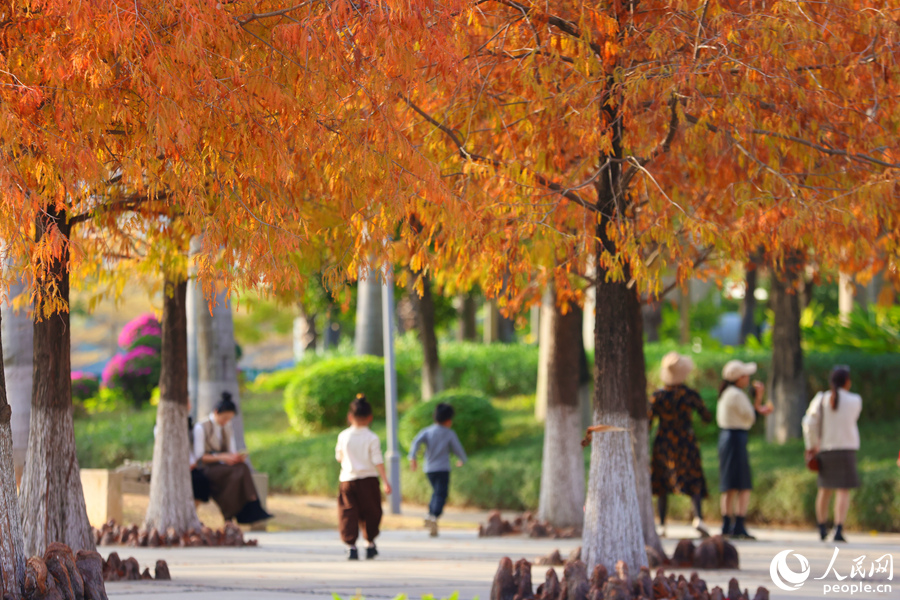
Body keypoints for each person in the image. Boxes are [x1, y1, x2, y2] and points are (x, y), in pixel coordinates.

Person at [649, 352, 713, 538]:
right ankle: (698, 518)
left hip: (664, 442)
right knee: (694, 479)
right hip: (686, 441)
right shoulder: (690, 395)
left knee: (662, 483)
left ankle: (661, 524)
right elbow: (706, 417)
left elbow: (647, 420)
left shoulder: (657, 396)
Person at [193, 392, 272, 524]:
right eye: (224, 418)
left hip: (223, 466)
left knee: (242, 467)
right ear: (216, 412)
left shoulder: (227, 427)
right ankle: (250, 505)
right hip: (206, 467)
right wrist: (222, 457)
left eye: (229, 419)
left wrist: (235, 457)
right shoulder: (201, 427)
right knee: (237, 474)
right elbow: (199, 456)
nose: (226, 421)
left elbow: (231, 450)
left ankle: (247, 507)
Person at [802, 366, 861, 542]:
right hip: (847, 448)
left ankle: (821, 527)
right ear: (847, 381)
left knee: (824, 490)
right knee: (843, 491)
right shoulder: (855, 400)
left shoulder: (821, 399)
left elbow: (808, 423)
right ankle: (838, 528)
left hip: (825, 449)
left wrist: (812, 445)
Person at [716, 359, 772, 540]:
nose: (748, 378)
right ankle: (739, 524)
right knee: (742, 484)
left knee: (728, 484)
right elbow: (750, 417)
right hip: (736, 438)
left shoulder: (727, 393)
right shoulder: (736, 395)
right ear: (739, 378)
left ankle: (727, 524)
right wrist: (758, 398)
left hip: (727, 438)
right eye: (745, 375)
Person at [335, 393, 392, 560]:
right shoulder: (372, 437)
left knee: (348, 513)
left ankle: (351, 546)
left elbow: (339, 458)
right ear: (370, 417)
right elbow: (377, 460)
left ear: (350, 416)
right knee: (371, 512)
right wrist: (385, 481)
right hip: (368, 480)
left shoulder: (343, 436)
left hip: (347, 479)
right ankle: (370, 544)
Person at [408, 402, 468, 537]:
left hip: (429, 469)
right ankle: (433, 515)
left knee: (436, 492)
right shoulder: (449, 433)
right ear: (448, 420)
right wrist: (462, 459)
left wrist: (413, 457)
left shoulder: (427, 431)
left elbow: (415, 442)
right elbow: (458, 448)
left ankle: (431, 517)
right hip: (442, 468)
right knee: (441, 494)